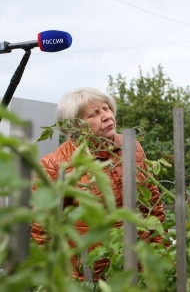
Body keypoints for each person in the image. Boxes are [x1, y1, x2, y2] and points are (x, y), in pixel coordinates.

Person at [31, 88, 165, 281]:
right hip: (88, 273)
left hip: (137, 266)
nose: (106, 116)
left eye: (106, 108)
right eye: (94, 113)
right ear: (75, 126)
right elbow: (43, 230)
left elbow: (153, 203)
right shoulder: (54, 165)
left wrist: (161, 251)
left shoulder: (131, 147)